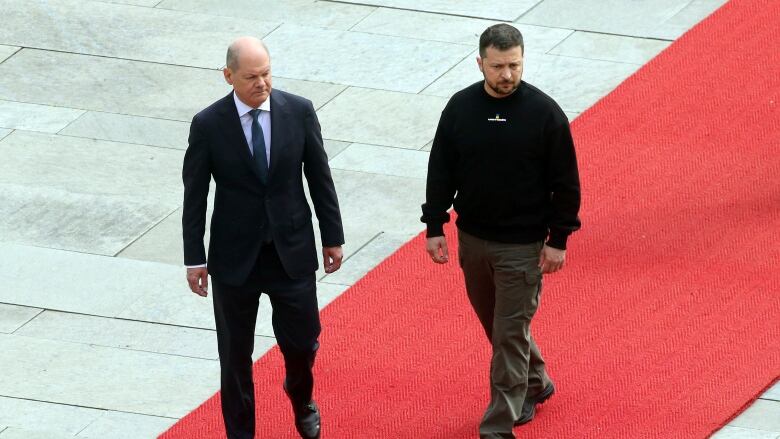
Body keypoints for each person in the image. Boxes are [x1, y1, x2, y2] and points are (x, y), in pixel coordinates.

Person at [421, 24, 581, 439]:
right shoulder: (459, 108)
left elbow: (566, 184)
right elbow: (440, 169)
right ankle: (536, 381)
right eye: (497, 66)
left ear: (523, 60)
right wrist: (435, 224)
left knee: (508, 333)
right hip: (472, 241)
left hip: (523, 247)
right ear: (480, 64)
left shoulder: (545, 114)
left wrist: (558, 240)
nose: (506, 74)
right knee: (497, 325)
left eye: (514, 65)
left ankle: (497, 426)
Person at [182, 36, 344, 439]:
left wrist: (332, 237)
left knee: (304, 343)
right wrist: (194, 258)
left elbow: (320, 178)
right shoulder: (208, 125)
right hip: (235, 259)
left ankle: (300, 393)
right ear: (228, 76)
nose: (262, 83)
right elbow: (195, 195)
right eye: (252, 76)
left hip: (291, 251)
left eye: (267, 73)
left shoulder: (299, 112)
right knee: (235, 358)